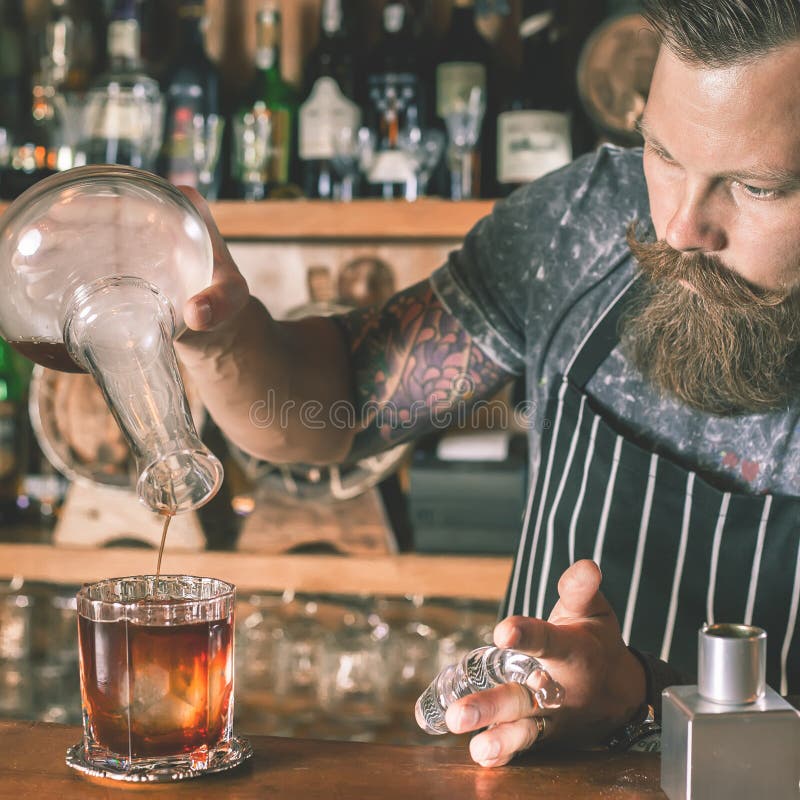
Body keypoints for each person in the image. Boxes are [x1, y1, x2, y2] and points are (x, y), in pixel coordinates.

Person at [175, 0, 800, 767]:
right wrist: (220, 334)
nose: (677, 229)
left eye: (758, 188)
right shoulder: (586, 224)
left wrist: (642, 703)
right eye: (664, 155)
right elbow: (332, 411)